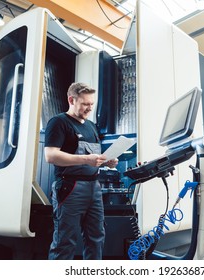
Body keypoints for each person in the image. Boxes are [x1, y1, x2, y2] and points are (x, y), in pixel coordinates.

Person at [44, 82, 118, 260]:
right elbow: (51, 155)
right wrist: (86, 159)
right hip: (70, 187)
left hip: (94, 188)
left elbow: (93, 158)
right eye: (85, 104)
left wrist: (106, 162)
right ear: (71, 100)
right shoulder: (59, 122)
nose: (89, 108)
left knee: (96, 238)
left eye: (91, 104)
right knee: (65, 241)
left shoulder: (91, 126)